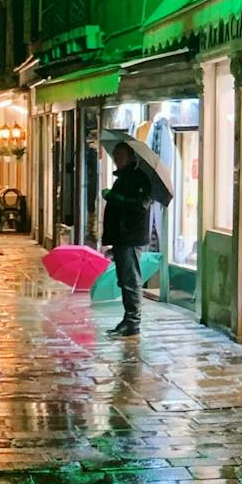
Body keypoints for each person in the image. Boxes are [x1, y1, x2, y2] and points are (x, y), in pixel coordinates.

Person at [101, 141, 154, 337]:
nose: (116, 159)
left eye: (120, 155)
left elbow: (140, 205)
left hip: (130, 236)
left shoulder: (137, 178)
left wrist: (114, 197)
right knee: (125, 279)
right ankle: (128, 319)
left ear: (131, 157)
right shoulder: (125, 177)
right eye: (115, 155)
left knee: (131, 279)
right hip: (123, 237)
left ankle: (133, 321)